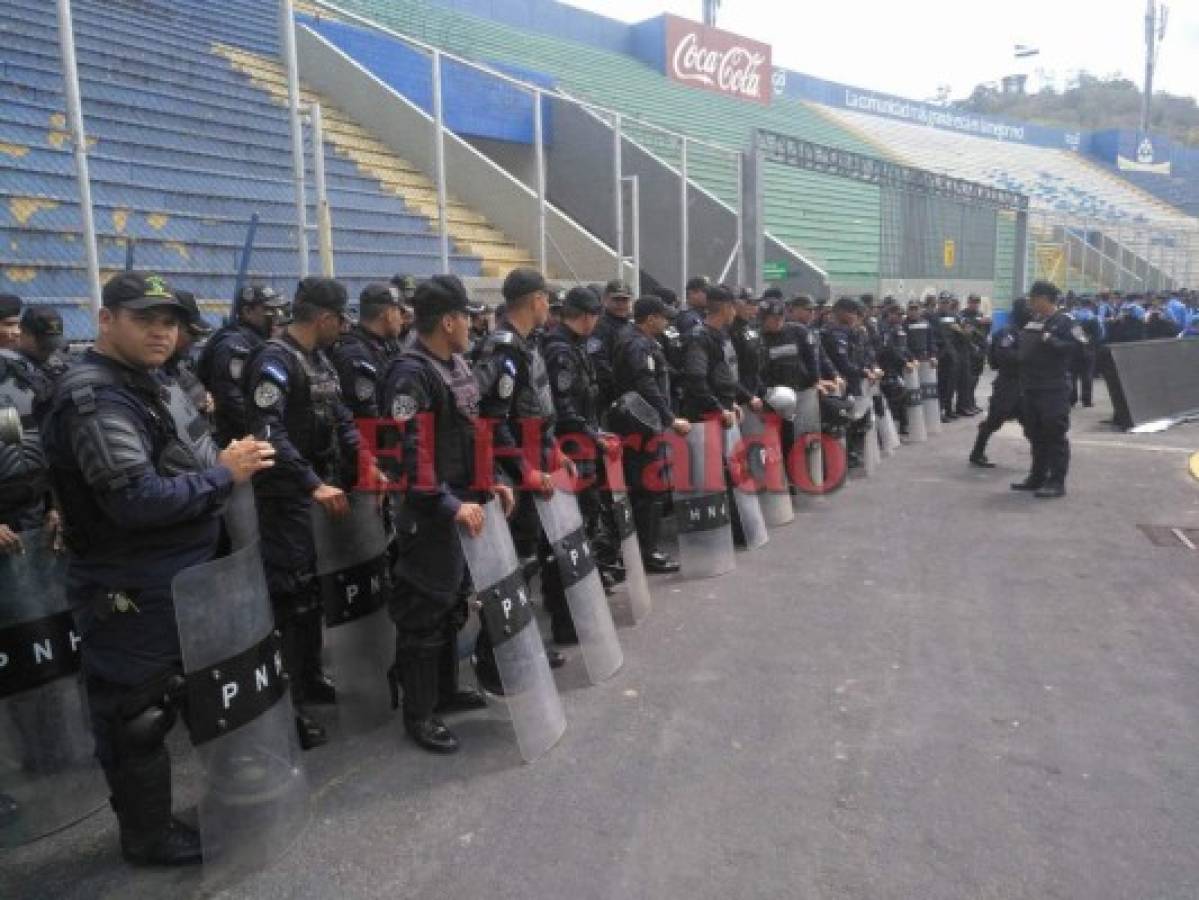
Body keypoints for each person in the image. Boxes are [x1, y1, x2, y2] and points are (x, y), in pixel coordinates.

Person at [41, 272, 275, 865]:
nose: (161, 331)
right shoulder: (96, 396)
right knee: (137, 716)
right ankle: (147, 838)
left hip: (187, 572)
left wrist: (218, 468)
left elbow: (188, 453)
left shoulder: (151, 380)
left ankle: (215, 798)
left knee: (197, 693)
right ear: (105, 319)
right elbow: (136, 500)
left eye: (169, 321)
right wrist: (225, 474)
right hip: (131, 583)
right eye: (145, 318)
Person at [243, 277, 374, 750]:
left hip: (317, 491)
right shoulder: (274, 361)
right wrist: (313, 483)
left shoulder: (318, 359)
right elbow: (267, 432)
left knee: (312, 598)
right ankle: (286, 706)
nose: (343, 329)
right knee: (289, 599)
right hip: (287, 498)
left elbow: (340, 416)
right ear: (324, 318)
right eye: (340, 320)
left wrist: (364, 459)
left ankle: (310, 677)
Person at [378, 275, 501, 754]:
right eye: (466, 316)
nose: (472, 324)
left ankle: (446, 691)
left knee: (451, 606)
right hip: (432, 513)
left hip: (463, 504)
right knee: (425, 613)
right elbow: (412, 455)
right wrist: (450, 504)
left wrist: (492, 484)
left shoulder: (454, 363)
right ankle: (420, 712)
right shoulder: (411, 372)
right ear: (447, 320)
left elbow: (470, 433)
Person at [540, 285, 620, 640]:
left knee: (585, 528)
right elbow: (566, 408)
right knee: (568, 536)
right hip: (571, 451)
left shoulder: (573, 346)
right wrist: (592, 433)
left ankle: (579, 607)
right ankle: (565, 620)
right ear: (587, 316)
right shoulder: (560, 351)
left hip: (583, 446)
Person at [610, 296, 690, 573]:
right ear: (650, 318)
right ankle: (647, 552)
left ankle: (640, 549)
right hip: (640, 427)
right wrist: (669, 418)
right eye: (662, 317)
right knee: (648, 490)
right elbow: (646, 384)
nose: (666, 321)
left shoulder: (635, 340)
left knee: (645, 490)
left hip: (638, 424)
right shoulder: (638, 345)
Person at [1011, 281, 1083, 498]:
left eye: (1034, 299)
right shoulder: (1035, 320)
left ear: (1044, 298)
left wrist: (1053, 341)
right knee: (1035, 432)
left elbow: (1083, 346)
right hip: (1032, 385)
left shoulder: (1067, 321)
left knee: (1054, 432)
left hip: (1054, 387)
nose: (1031, 303)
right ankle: (1038, 475)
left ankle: (1056, 480)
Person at [195, 283, 289, 446]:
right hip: (233, 439)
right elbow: (232, 400)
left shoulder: (257, 341)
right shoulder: (234, 346)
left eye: (276, 310)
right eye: (268, 310)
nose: (275, 315)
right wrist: (267, 432)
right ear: (247, 312)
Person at [0, 306, 65, 539]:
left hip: (33, 509)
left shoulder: (27, 375)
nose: (13, 332)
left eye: (15, 325)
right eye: (6, 324)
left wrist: (54, 506)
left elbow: (37, 446)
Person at [329, 282, 407, 421]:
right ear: (389, 314)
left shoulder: (388, 346)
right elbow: (366, 415)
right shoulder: (355, 355)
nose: (402, 319)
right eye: (400, 312)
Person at [969, 298, 1029, 468]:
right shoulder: (1008, 333)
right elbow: (1004, 357)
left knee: (1031, 424)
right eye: (1025, 309)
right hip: (1007, 384)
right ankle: (977, 452)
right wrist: (1026, 357)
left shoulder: (1029, 332)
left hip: (1024, 384)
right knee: (995, 420)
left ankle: (1041, 463)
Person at [163, 290, 213, 418]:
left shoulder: (178, 363)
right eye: (192, 334)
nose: (194, 341)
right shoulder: (149, 370)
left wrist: (203, 399)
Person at [588, 279, 634, 409]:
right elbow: (599, 364)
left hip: (630, 395)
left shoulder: (631, 325)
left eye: (624, 300)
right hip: (610, 396)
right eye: (616, 300)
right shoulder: (600, 327)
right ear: (605, 300)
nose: (620, 304)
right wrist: (618, 391)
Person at [730, 289, 765, 398]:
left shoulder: (752, 326)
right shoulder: (730, 330)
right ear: (736, 304)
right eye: (750, 303)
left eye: (756, 303)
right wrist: (745, 394)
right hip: (739, 391)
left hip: (754, 387)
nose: (755, 307)